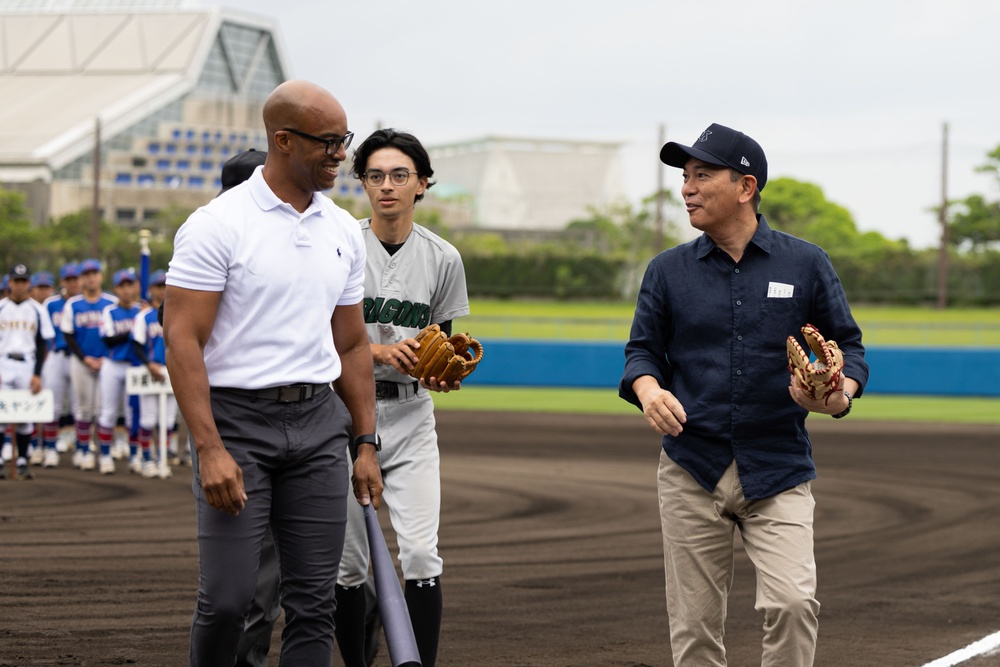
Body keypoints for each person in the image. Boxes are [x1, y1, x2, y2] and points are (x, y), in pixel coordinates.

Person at [619, 123, 869, 667]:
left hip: (777, 465)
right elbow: (641, 352)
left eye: (702, 175)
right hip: (691, 466)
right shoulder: (666, 271)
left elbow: (848, 347)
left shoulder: (805, 263)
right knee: (695, 628)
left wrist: (838, 393)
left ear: (746, 187)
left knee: (794, 603)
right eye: (684, 177)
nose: (687, 187)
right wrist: (648, 388)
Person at [163, 79, 382, 667]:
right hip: (237, 423)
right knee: (230, 600)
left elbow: (353, 342)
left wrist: (365, 441)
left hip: (318, 425)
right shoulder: (216, 225)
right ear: (282, 141)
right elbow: (182, 339)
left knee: (315, 604)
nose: (342, 154)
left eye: (345, 140)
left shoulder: (341, 229)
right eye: (329, 142)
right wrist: (209, 447)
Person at [333, 128, 470, 667]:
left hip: (412, 415)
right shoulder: (341, 243)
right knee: (348, 565)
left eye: (399, 175)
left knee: (419, 553)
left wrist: (443, 372)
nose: (386, 186)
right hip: (341, 415)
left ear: (422, 184)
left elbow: (444, 339)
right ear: (363, 183)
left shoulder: (443, 258)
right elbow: (319, 337)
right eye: (375, 176)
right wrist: (381, 352)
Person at [0, 263, 55, 480]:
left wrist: (37, 374)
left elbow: (43, 344)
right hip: (3, 362)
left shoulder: (37, 309)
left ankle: (22, 459)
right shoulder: (1, 307)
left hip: (26, 363)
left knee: (25, 416)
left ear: (28, 283)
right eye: (16, 281)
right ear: (9, 283)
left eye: (24, 281)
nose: (20, 285)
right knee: (1, 415)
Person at [61, 258, 117, 471]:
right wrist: (84, 358)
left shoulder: (111, 302)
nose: (91, 277)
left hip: (107, 362)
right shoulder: (73, 304)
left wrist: (105, 358)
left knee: (104, 408)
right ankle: (83, 450)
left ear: (101, 276)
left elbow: (118, 333)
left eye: (94, 273)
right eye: (87, 274)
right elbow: (68, 335)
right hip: (82, 361)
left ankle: (104, 453)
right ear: (82, 278)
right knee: (84, 408)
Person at [95, 268, 142, 475]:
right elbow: (108, 338)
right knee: (109, 411)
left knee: (133, 414)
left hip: (135, 366)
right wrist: (133, 330)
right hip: (113, 365)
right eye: (121, 286)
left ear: (135, 287)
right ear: (115, 289)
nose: (126, 290)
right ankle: (105, 456)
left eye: (129, 285)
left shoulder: (142, 310)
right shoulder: (110, 311)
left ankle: (134, 456)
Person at [39, 262, 82, 465]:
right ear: (62, 281)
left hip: (77, 358)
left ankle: (81, 449)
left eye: (75, 279)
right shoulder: (50, 303)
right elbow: (43, 333)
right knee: (52, 406)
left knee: (78, 406)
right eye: (68, 279)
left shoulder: (84, 303)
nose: (72, 283)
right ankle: (49, 448)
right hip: (56, 356)